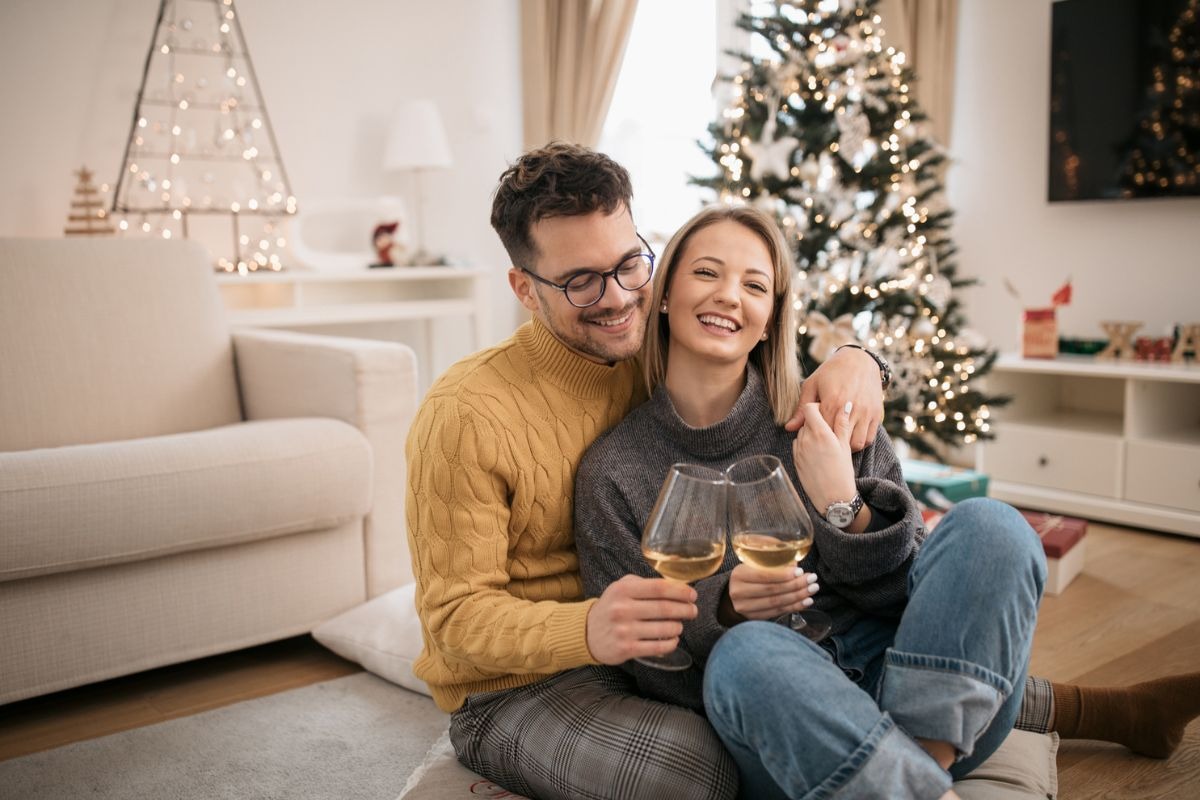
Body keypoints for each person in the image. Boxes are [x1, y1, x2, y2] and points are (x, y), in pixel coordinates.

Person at [574, 204, 1200, 799]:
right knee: (748, 655)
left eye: (755, 285)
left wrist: (847, 507)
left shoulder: (826, 420)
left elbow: (917, 595)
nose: (729, 296)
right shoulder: (613, 472)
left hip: (920, 693)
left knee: (993, 527)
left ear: (771, 317)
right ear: (661, 299)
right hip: (791, 723)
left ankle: (916, 773)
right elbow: (653, 672)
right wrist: (727, 608)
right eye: (706, 272)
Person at [404, 143, 889, 800]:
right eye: (580, 281)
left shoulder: (651, 351)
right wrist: (585, 627)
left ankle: (1066, 708)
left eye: (630, 264)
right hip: (515, 688)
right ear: (524, 289)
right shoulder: (465, 413)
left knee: (790, 698)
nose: (617, 298)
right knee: (699, 771)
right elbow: (453, 622)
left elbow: (751, 329)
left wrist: (858, 358)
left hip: (645, 653)